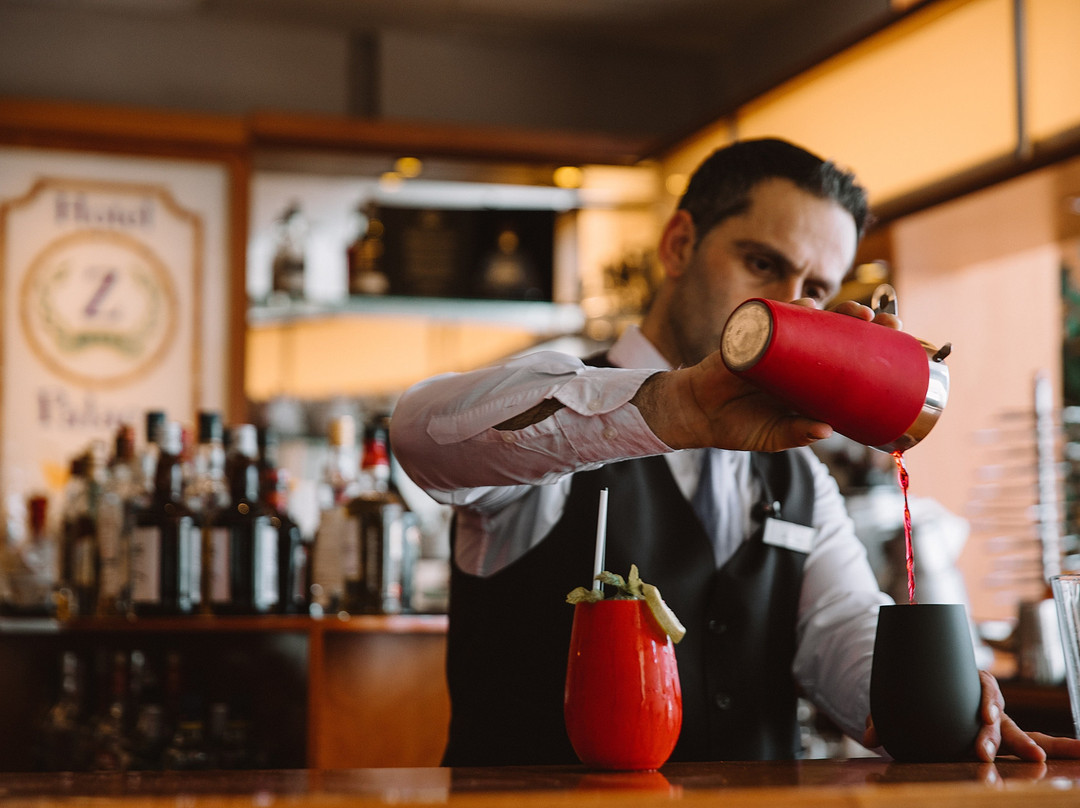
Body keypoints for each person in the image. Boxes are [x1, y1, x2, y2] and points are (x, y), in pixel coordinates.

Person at [391, 138, 1080, 765]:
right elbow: (422, 435)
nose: (787, 307)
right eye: (761, 264)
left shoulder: (802, 476)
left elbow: (842, 628)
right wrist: (674, 408)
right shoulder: (558, 407)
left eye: (813, 290)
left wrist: (938, 700)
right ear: (680, 245)